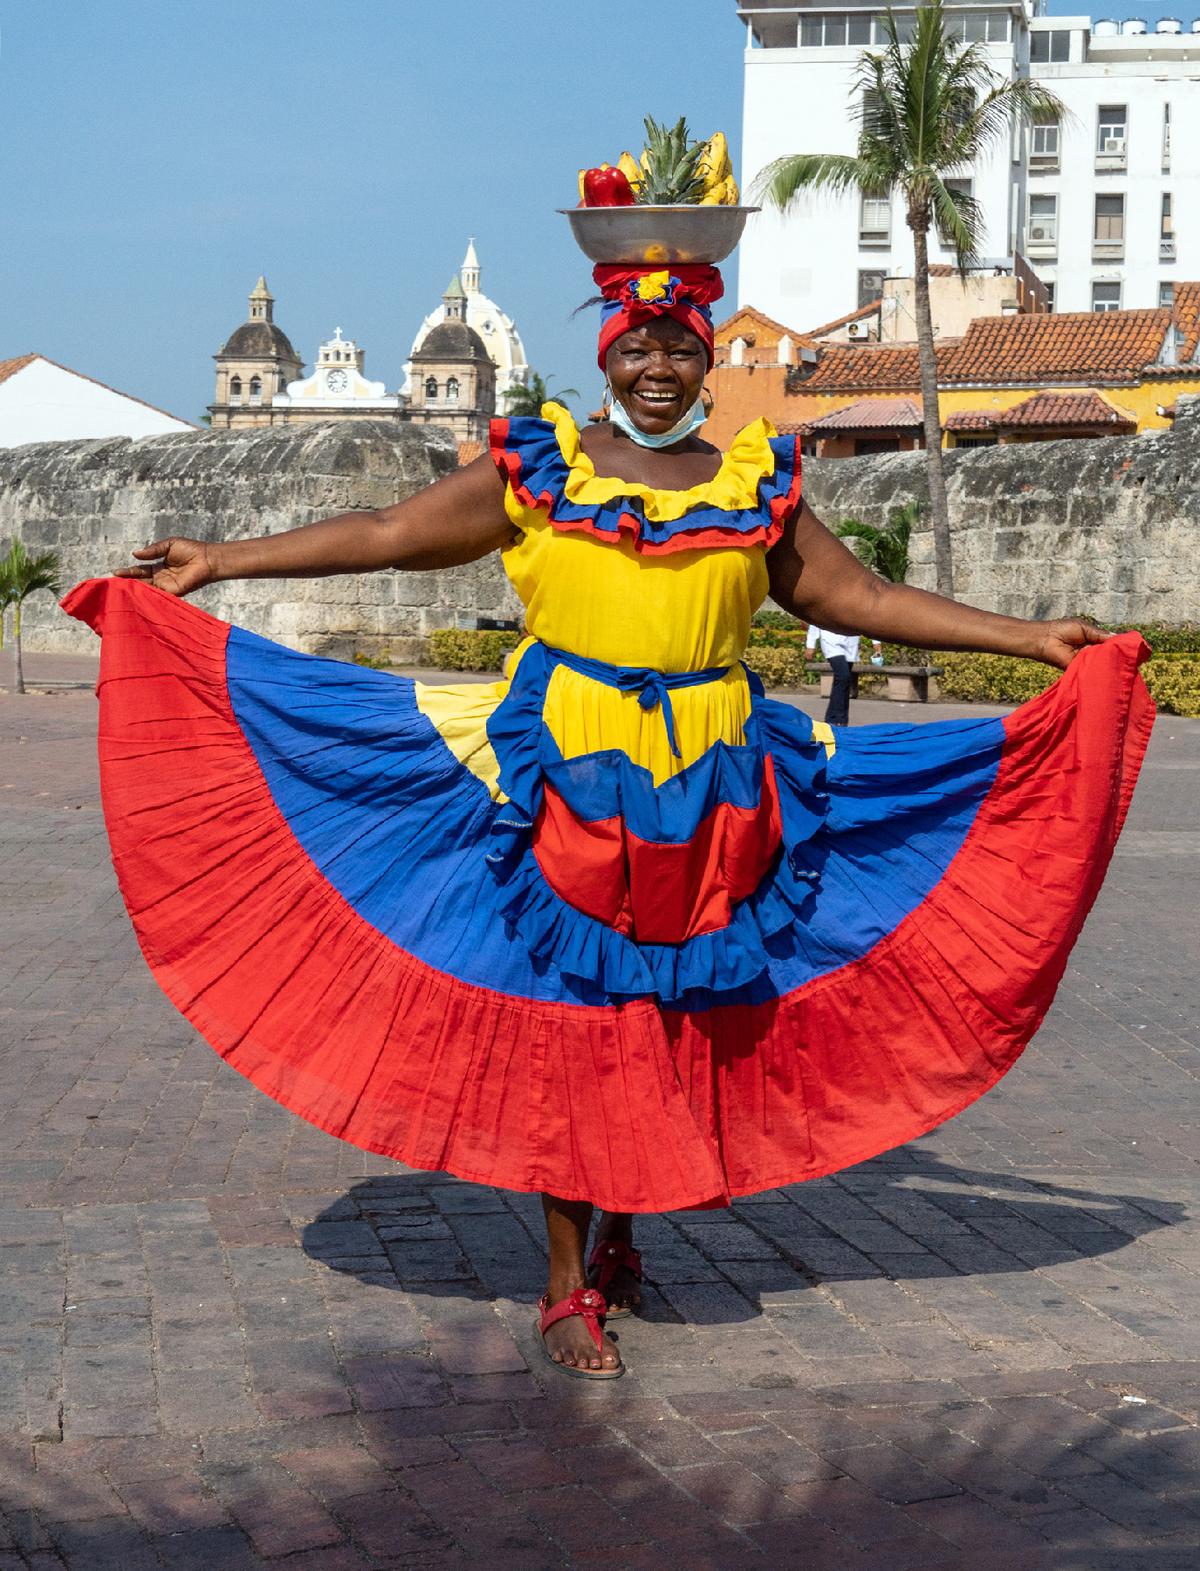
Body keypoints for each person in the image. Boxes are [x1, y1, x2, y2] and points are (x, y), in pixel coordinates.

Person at [63, 251, 1152, 1383]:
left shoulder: (750, 483)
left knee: (676, 1015)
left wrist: (1025, 639)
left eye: (681, 347)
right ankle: (562, 1279)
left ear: (708, 357)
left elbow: (861, 598)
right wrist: (221, 560)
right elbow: (390, 531)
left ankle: (631, 1217)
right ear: (608, 358)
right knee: (581, 1020)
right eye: (638, 348)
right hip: (568, 773)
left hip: (714, 782)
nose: (660, 369)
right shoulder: (543, 469)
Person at [804, 623, 883, 726]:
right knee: (843, 676)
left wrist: (875, 641)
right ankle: (840, 719)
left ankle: (832, 719)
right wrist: (810, 645)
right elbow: (817, 617)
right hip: (830, 641)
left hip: (851, 642)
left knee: (843, 681)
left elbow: (865, 616)